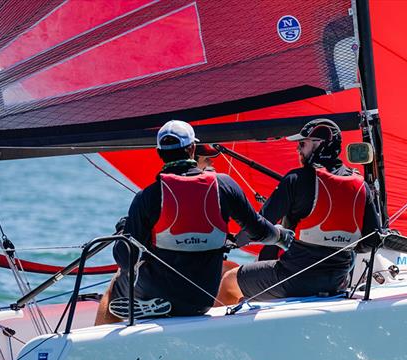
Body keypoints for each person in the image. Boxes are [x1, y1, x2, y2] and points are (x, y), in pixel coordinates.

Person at [95, 120, 291, 325]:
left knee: (116, 284)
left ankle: (98, 351)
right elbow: (258, 230)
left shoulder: (149, 196)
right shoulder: (223, 185)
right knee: (224, 269)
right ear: (191, 149)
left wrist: (123, 229)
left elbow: (126, 259)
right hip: (202, 298)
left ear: (159, 153)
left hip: (159, 291)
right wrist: (281, 236)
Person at [217, 118, 382, 306]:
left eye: (302, 144)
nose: (298, 150)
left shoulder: (296, 179)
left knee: (229, 279)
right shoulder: (361, 186)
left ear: (320, 143)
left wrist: (231, 244)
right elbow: (370, 241)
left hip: (292, 279)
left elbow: (258, 226)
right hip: (338, 282)